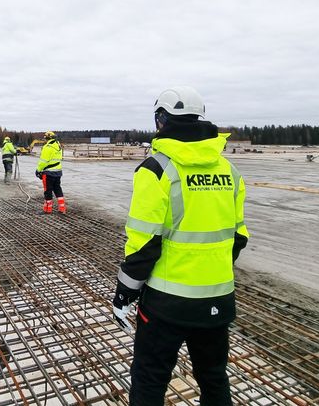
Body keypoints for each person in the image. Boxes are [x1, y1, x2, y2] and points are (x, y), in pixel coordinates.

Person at [112, 86, 249, 405]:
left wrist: (125, 292)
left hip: (165, 305)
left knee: (149, 379)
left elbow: (144, 243)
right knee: (214, 378)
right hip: (217, 300)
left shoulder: (156, 169)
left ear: (161, 120)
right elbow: (238, 237)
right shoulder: (229, 171)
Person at [35, 131, 66, 214]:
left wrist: (38, 170)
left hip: (49, 173)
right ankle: (62, 209)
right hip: (58, 172)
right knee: (58, 189)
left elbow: (43, 161)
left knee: (48, 191)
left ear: (47, 138)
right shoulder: (58, 146)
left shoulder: (47, 147)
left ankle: (47, 210)